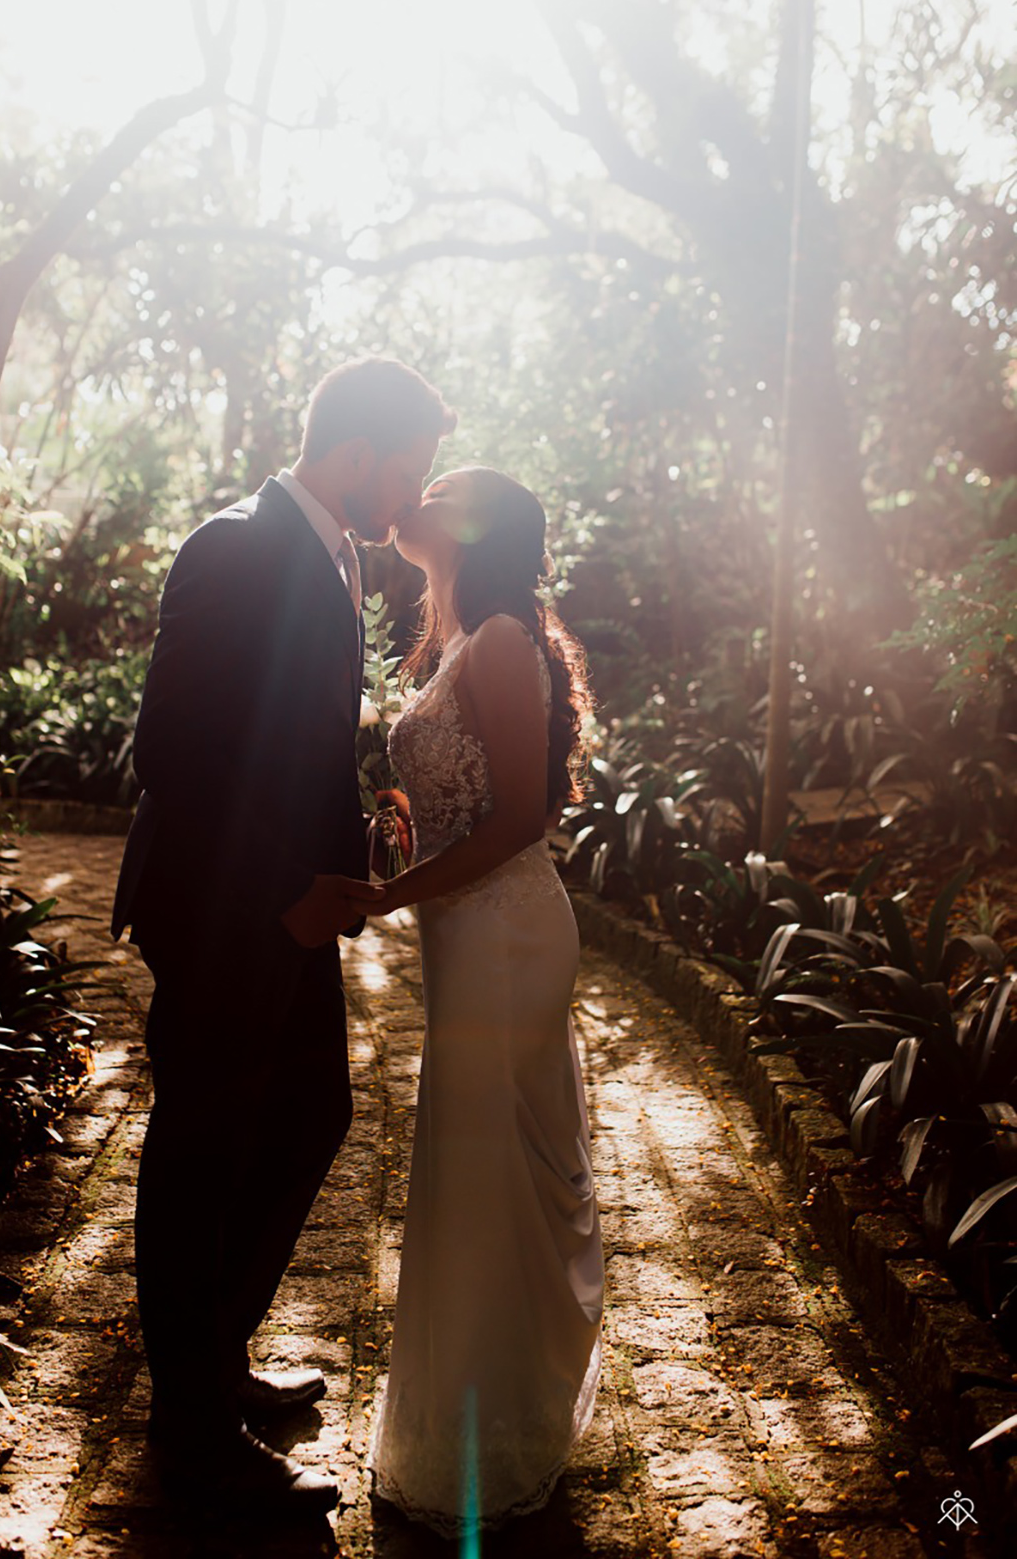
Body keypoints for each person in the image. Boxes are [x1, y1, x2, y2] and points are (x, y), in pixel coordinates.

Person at [110, 357, 457, 1514]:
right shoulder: (238, 544)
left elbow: (278, 736)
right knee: (202, 1148)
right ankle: (195, 1436)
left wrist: (351, 833)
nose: (412, 494)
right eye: (406, 466)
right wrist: (284, 894)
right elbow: (175, 750)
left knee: (311, 1112)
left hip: (284, 904)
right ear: (355, 450)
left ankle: (211, 1362)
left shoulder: (338, 551)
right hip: (221, 911)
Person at [363, 466, 604, 1535]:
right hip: (466, 932)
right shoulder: (457, 638)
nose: (416, 494)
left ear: (476, 526)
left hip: (505, 930)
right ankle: (476, 1408)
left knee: (488, 1166)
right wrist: (404, 830)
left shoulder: (504, 637)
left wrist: (383, 895)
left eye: (442, 487)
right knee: (468, 1163)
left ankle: (495, 1426)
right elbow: (460, 802)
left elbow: (519, 817)